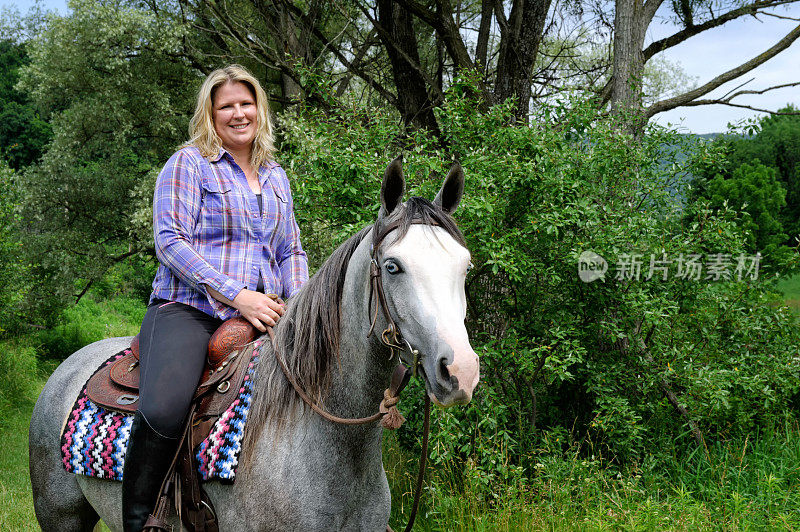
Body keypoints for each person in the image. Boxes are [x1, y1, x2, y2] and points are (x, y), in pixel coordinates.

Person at [121, 64, 309, 531]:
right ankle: (140, 520)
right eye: (227, 106)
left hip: (267, 312)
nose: (238, 113)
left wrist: (302, 307)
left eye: (246, 103)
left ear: (259, 109)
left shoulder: (275, 176)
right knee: (165, 405)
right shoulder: (188, 163)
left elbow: (290, 250)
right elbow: (169, 240)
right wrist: (238, 295)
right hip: (188, 309)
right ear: (211, 113)